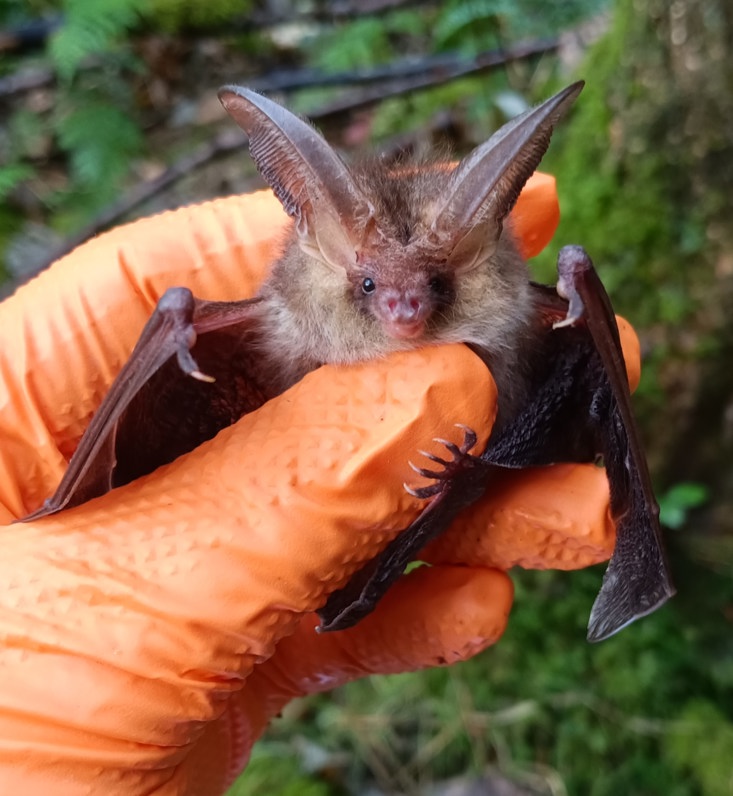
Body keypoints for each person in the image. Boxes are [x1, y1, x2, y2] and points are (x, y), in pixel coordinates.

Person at [0, 179, 633, 794]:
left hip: (460, 469)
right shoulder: (291, 327)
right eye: (372, 285)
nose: (404, 307)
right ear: (345, 279)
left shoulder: (507, 323)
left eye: (432, 285)